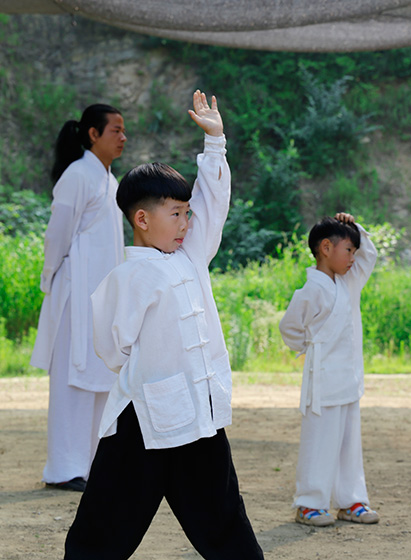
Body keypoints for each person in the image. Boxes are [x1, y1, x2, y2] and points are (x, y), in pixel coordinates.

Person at [63, 91, 264, 560]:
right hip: (142, 422)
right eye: (174, 214)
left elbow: (213, 206)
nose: (184, 222)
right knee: (102, 530)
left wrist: (215, 144)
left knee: (227, 527)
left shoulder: (192, 256)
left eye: (185, 212)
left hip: (200, 419)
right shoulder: (128, 276)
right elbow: (113, 350)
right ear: (141, 218)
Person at [30, 104, 127, 492]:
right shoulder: (78, 175)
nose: (123, 138)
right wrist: (51, 276)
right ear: (92, 134)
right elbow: (58, 233)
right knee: (73, 378)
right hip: (75, 288)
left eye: (123, 131)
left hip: (101, 293)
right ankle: (64, 468)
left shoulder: (109, 179)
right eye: (115, 131)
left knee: (99, 376)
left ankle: (90, 465)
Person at [278, 213, 380, 527]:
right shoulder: (312, 290)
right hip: (322, 379)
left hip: (349, 377)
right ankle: (310, 504)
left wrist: (355, 227)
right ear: (325, 248)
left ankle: (351, 501)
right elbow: (290, 329)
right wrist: (311, 346)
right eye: (348, 250)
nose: (353, 257)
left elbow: (370, 255)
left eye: (353, 251)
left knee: (350, 443)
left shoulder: (350, 282)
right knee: (319, 442)